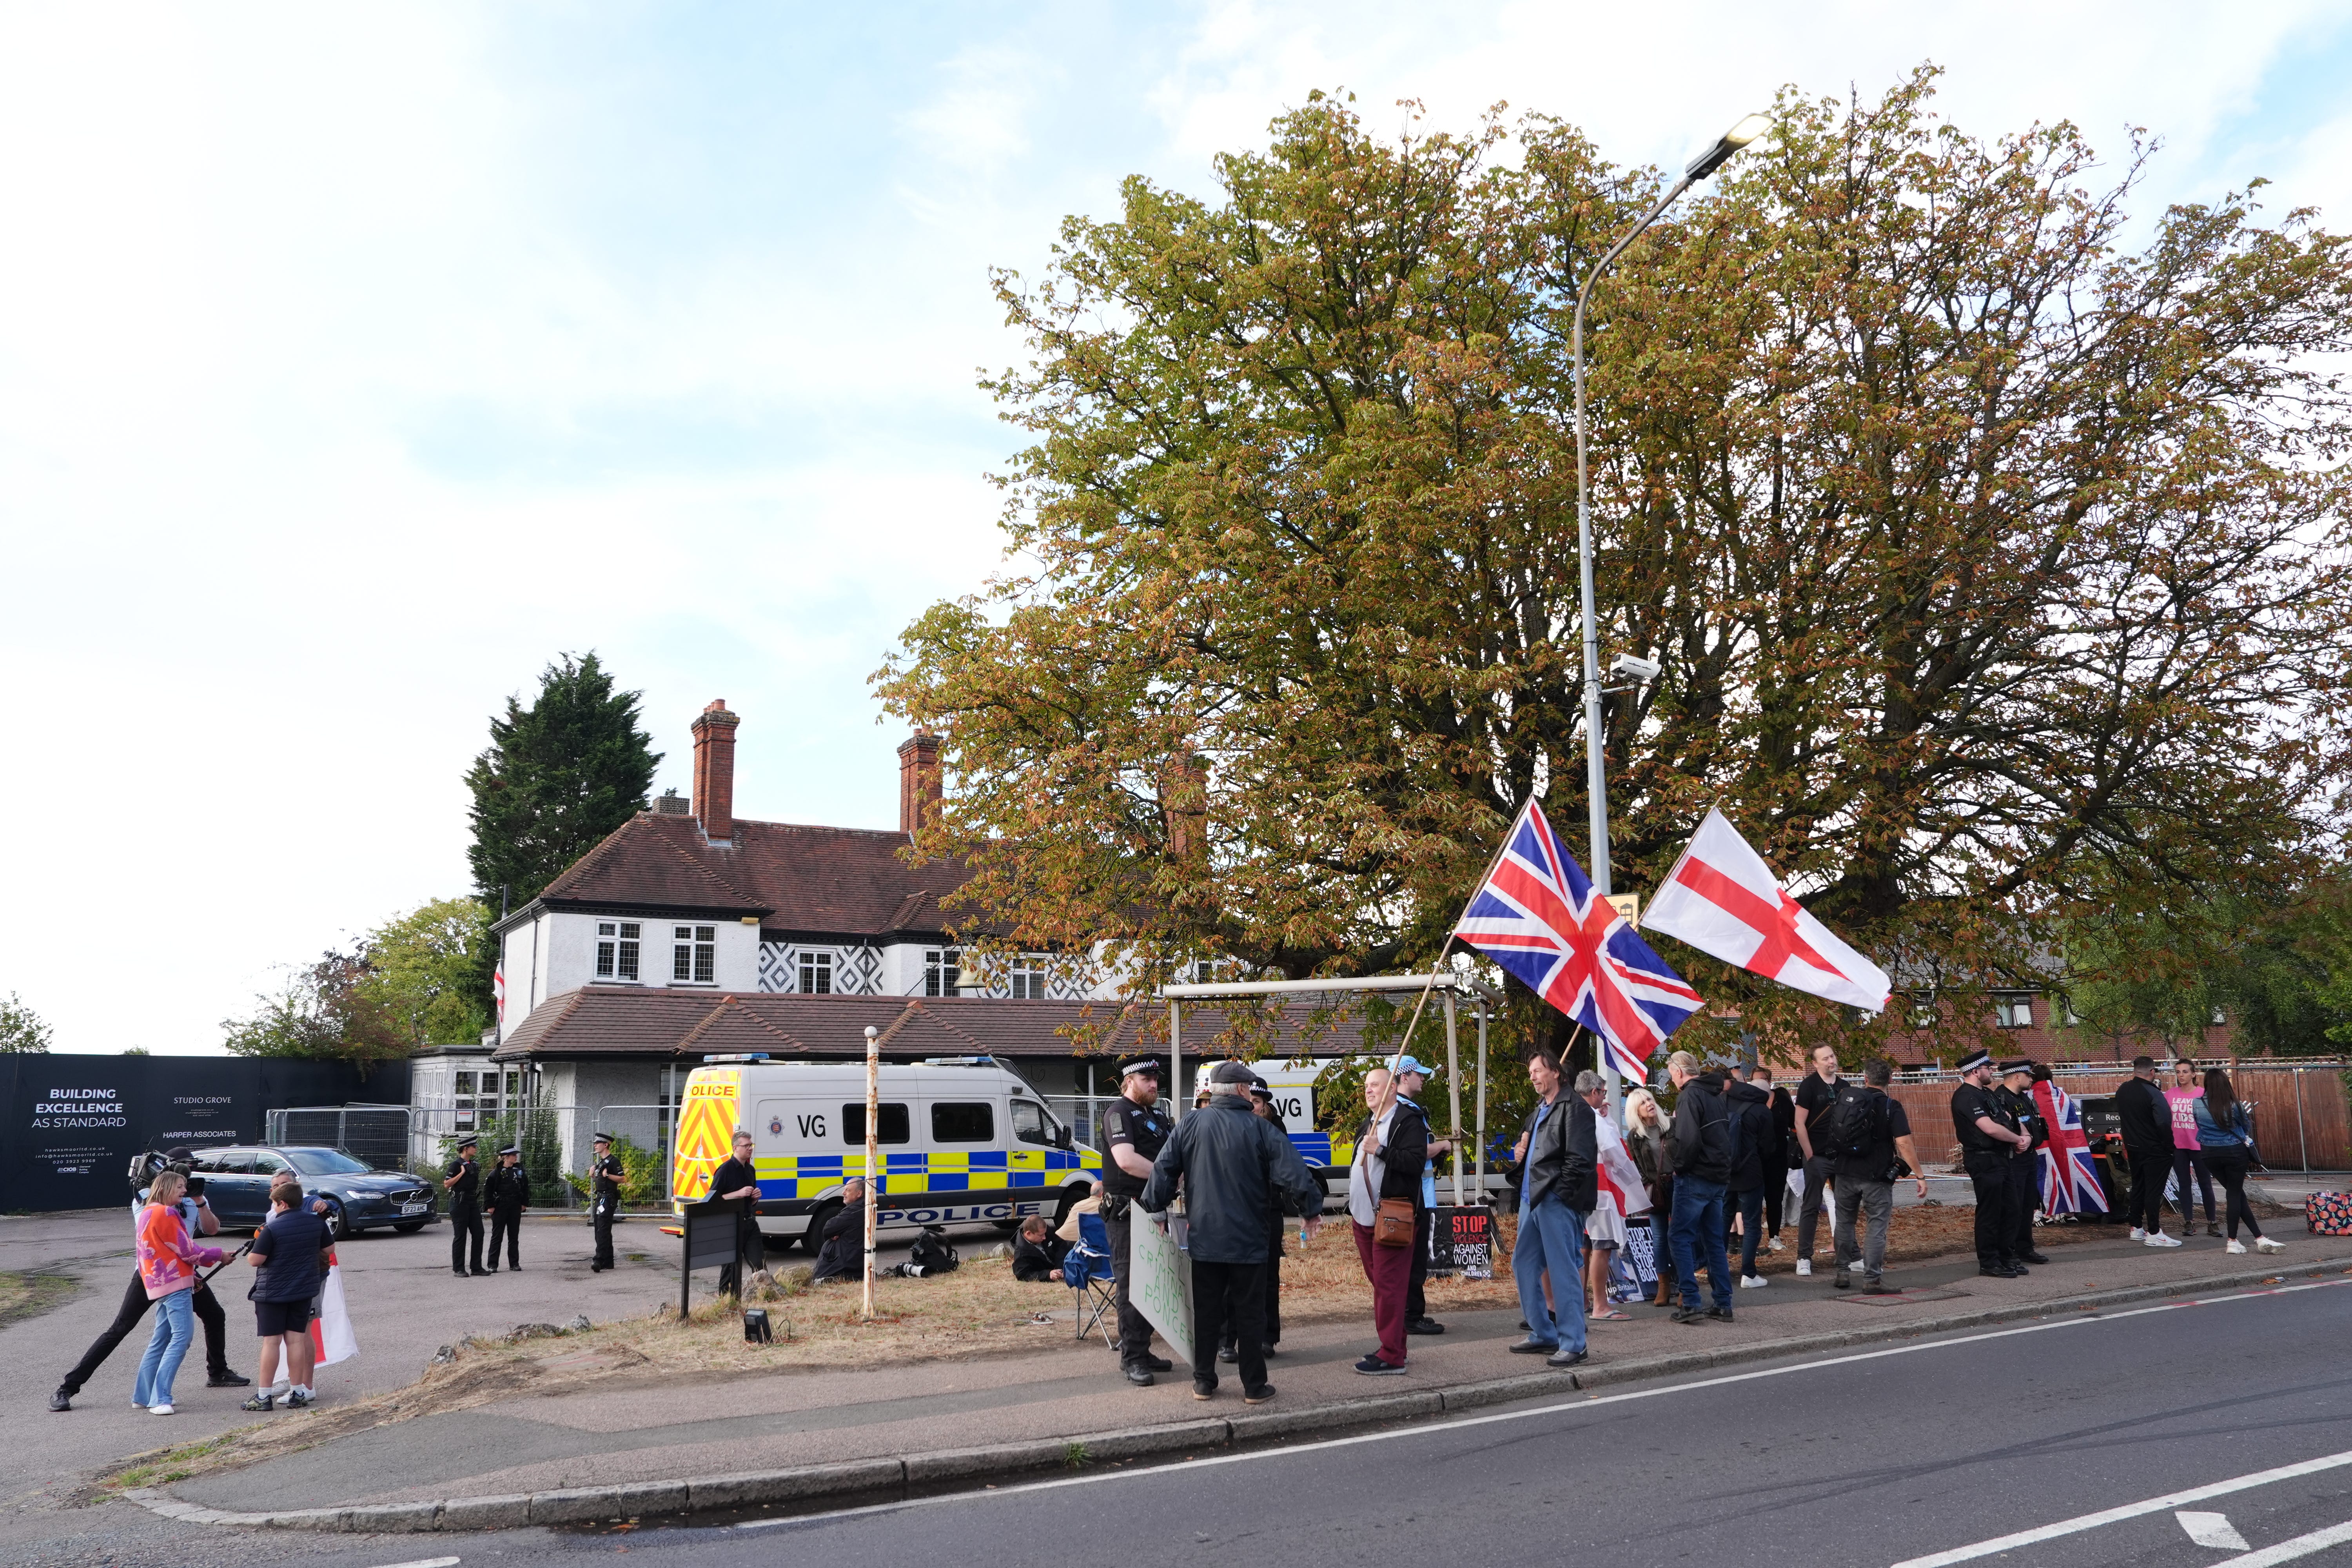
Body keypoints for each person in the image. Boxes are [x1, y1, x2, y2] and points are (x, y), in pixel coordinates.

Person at [1140, 1059, 1323, 1403]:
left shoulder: (1192, 1123)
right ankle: (1254, 1387)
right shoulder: (1260, 1129)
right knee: (1251, 1314)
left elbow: (1164, 1169)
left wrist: (1156, 1210)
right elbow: (1296, 1173)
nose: (1252, 1093)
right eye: (1250, 1088)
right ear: (1241, 1090)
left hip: (1205, 1239)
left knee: (1207, 1313)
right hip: (1250, 1241)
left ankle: (1204, 1382)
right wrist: (1310, 1210)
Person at [51, 1151, 247, 1413]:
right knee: (120, 1329)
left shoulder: (188, 1199)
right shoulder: (147, 1202)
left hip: (183, 1269)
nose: (185, 1185)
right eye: (180, 1179)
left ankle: (218, 1372)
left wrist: (199, 1201)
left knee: (213, 1315)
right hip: (151, 1272)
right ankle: (68, 1387)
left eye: (187, 1179)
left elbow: (212, 1229)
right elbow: (174, 1241)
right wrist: (215, 1256)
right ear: (164, 1179)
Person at [1503, 1052, 1595, 1367]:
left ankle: (1574, 1342)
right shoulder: (1538, 1111)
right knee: (1523, 1264)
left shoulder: (1576, 1108)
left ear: (1556, 1072)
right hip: (1532, 1200)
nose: (1532, 1077)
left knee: (1562, 1269)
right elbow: (1532, 1152)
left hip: (1555, 1200)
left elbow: (1580, 1160)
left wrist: (1561, 1196)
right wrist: (1519, 1152)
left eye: (1538, 1070)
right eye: (1530, 1072)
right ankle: (1544, 1333)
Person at [1098, 1054, 1174, 1386]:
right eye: (1147, 1080)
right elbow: (1127, 1161)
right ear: (1129, 1082)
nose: (1154, 1085)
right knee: (1131, 1288)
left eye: (1156, 1080)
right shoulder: (1118, 1113)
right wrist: (1169, 1177)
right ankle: (1131, 1359)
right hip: (1126, 1213)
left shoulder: (1157, 1115)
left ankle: (1143, 1350)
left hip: (1154, 1211)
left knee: (1153, 1285)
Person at [1349, 1063, 1428, 1376]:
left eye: (1376, 1085)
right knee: (1383, 1285)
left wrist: (1380, 1150)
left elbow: (1414, 1162)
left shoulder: (1408, 1121)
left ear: (1393, 1088)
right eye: (1367, 1086)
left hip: (1393, 1220)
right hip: (1363, 1219)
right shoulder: (1368, 1122)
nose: (1369, 1090)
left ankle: (1392, 1355)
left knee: (1388, 1287)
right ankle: (1396, 1345)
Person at [1829, 1059, 1929, 1294]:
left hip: (1845, 1171)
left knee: (1844, 1222)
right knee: (1876, 1225)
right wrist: (1920, 1175)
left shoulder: (1849, 1101)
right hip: (1876, 1175)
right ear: (1891, 1080)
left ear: (1865, 1079)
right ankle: (1872, 1279)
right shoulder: (1891, 1106)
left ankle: (1842, 1272)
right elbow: (1903, 1143)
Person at [129, 1170, 224, 1415]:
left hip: (160, 1284)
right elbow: (187, 1250)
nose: (185, 1191)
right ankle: (161, 1399)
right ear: (167, 1187)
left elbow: (156, 1253)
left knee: (161, 1339)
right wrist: (219, 1255)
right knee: (181, 1339)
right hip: (175, 1288)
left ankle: (143, 1396)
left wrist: (189, 1274)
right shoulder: (167, 1212)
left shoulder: (148, 1212)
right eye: (181, 1186)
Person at [239, 1178, 334, 1410]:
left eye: (275, 1203)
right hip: (303, 1291)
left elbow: (255, 1260)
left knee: (272, 1342)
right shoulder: (316, 1224)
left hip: (272, 1293)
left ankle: (263, 1397)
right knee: (296, 1340)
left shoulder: (272, 1227)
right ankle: (298, 1392)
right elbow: (329, 1250)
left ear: (282, 1203)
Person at [1949, 1050, 2036, 1276]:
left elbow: (2011, 1120)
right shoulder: (1966, 1096)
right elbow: (1989, 1127)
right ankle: (1989, 1262)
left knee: (2011, 1209)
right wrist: (2018, 1139)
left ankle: (2007, 1257)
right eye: (1988, 1068)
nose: (1992, 1072)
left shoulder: (1988, 1094)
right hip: (1983, 1159)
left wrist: (2024, 1137)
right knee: (1991, 1211)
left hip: (2002, 1158)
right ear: (1976, 1071)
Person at [1221, 1077, 1290, 1362]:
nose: (1252, 1106)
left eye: (1258, 1102)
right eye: (1250, 1100)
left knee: (1266, 1278)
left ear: (1266, 1106)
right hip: (1235, 1214)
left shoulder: (1274, 1130)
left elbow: (1286, 1170)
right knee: (1228, 1279)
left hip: (1267, 1212)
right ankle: (1227, 1340)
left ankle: (1266, 1337)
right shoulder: (1232, 1128)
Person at [1666, 1052, 1736, 1323]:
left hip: (1696, 1176)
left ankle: (1691, 1301)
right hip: (1718, 1175)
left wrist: (1679, 1166)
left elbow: (1688, 1139)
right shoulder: (1715, 1096)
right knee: (1713, 1241)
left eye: (1672, 1074)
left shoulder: (1688, 1096)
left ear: (1680, 1072)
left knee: (1680, 1237)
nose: (1672, 1079)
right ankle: (1723, 1302)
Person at [1389, 1056, 1454, 1337]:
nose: (1423, 1079)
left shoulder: (1408, 1109)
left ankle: (1411, 1313)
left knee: (1415, 1260)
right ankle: (1412, 1316)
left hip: (1419, 1197)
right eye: (1419, 1074)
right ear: (1404, 1077)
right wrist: (1440, 1146)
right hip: (1414, 1200)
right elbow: (1417, 1153)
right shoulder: (1405, 1111)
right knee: (1414, 1261)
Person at [2194, 1068, 2285, 1256]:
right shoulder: (2234, 1104)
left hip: (2209, 1154)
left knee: (2237, 1194)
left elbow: (2199, 1125)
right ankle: (2233, 1241)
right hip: (2234, 1152)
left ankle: (2260, 1238)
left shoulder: (2197, 1103)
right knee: (2234, 1195)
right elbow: (2245, 1126)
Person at [1578, 1071, 1646, 1320]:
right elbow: (1612, 1150)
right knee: (1602, 1246)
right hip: (1601, 1188)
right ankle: (1600, 1305)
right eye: (1604, 1092)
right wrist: (1630, 1175)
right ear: (1595, 1092)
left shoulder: (1572, 1112)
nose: (1605, 1097)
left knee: (1586, 1245)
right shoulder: (1594, 1118)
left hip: (1582, 1187)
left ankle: (1583, 1300)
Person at [2114, 1055, 2180, 1247]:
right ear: (2152, 1072)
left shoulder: (2123, 1090)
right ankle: (2154, 1232)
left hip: (2133, 1147)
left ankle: (2136, 1227)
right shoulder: (2154, 1093)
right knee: (2154, 1190)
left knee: (2139, 1186)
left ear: (2135, 1071)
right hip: (2154, 1149)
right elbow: (2164, 1122)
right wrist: (2169, 1147)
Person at [1791, 1044, 1844, 1276]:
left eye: (1832, 1056)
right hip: (1817, 1156)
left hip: (1841, 1156)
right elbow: (1799, 1123)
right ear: (1815, 1063)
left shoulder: (1844, 1086)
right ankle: (1804, 1257)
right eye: (1825, 1059)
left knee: (1845, 1206)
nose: (1831, 1061)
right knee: (1811, 1206)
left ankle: (1848, 1253)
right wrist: (1810, 1154)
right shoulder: (1809, 1086)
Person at [1993, 1061, 2053, 1268]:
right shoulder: (2000, 1098)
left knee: (2028, 1205)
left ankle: (2025, 1247)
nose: (2032, 1078)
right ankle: (2008, 1251)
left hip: (2030, 1156)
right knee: (2014, 1206)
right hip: (2014, 1158)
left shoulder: (2023, 1098)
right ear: (2017, 1077)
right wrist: (2018, 1140)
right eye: (2028, 1075)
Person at [1623, 1087, 1675, 1308]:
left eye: (1650, 1099)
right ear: (1637, 1111)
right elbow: (1636, 1165)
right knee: (1660, 1240)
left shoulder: (1672, 1125)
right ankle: (1664, 1286)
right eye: (1643, 1103)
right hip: (1655, 1189)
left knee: (1679, 1237)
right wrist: (1649, 1182)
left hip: (1677, 1185)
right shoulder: (1634, 1136)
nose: (1649, 1104)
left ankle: (1684, 1286)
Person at [1724, 1066, 1775, 1290]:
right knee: (1752, 1222)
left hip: (1724, 1171)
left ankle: (1718, 1269)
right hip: (1751, 1172)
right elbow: (1768, 1147)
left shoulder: (1724, 1103)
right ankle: (1749, 1274)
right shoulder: (1762, 1110)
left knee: (1722, 1220)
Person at [2164, 1062, 2220, 1238]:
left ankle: (2212, 1222)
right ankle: (2189, 1221)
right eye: (2178, 1072)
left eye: (2186, 1072)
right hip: (2179, 1146)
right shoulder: (2170, 1094)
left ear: (2194, 1074)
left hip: (2199, 1145)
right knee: (2184, 1184)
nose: (2182, 1076)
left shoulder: (2203, 1094)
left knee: (2205, 1184)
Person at [708, 1129, 763, 1297]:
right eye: (746, 1145)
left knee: (760, 1266)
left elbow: (750, 1202)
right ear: (735, 1148)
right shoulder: (725, 1170)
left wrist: (754, 1199)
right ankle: (726, 1300)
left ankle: (763, 1297)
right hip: (731, 1223)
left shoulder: (750, 1170)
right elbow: (711, 1200)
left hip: (749, 1223)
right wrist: (737, 1194)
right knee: (730, 1267)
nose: (750, 1149)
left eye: (751, 1145)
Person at [1756, 1067, 1793, 1254]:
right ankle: (1752, 1240)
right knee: (1754, 1200)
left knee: (1775, 1199)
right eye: (1756, 1080)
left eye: (1763, 1079)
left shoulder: (1782, 1101)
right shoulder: (1751, 1102)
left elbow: (1795, 1125)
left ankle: (1774, 1236)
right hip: (1756, 1159)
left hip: (1778, 1157)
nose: (1760, 1084)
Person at [810, 1177, 868, 1283]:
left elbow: (828, 1228)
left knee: (818, 1281)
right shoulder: (864, 1207)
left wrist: (836, 1232)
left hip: (844, 1265)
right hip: (854, 1263)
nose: (843, 1193)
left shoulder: (853, 1212)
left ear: (859, 1194)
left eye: (848, 1190)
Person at [443, 1136, 486, 1278]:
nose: (476, 1149)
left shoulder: (473, 1164)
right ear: (466, 1148)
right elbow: (447, 1184)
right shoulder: (456, 1165)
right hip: (459, 1202)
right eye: (474, 1146)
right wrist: (461, 1173)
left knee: (479, 1233)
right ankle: (459, 1269)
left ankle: (477, 1267)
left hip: (472, 1201)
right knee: (461, 1236)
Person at [484, 1145, 530, 1272]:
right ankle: (493, 1265)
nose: (516, 1157)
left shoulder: (519, 1171)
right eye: (514, 1155)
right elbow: (488, 1190)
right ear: (506, 1157)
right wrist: (490, 1206)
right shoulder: (496, 1173)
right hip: (500, 1206)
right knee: (497, 1236)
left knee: (514, 1236)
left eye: (516, 1155)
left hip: (515, 1205)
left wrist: (524, 1203)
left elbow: (525, 1187)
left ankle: (514, 1263)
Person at [588, 1130, 624, 1272]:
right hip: (600, 1199)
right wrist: (593, 1175)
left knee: (603, 1230)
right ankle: (608, 1261)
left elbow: (622, 1179)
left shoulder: (613, 1161)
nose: (595, 1146)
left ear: (606, 1145)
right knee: (600, 1229)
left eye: (598, 1143)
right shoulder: (601, 1162)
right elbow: (601, 1179)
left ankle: (599, 1260)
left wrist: (608, 1175)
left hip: (608, 1199)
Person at [1011, 1214, 1069, 1281]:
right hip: (1047, 1270)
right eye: (1041, 1235)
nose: (1044, 1237)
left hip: (1062, 1263)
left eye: (1045, 1234)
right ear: (1029, 1234)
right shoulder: (1021, 1252)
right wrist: (1048, 1274)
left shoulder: (1043, 1231)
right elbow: (1023, 1275)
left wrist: (1060, 1266)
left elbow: (1061, 1244)